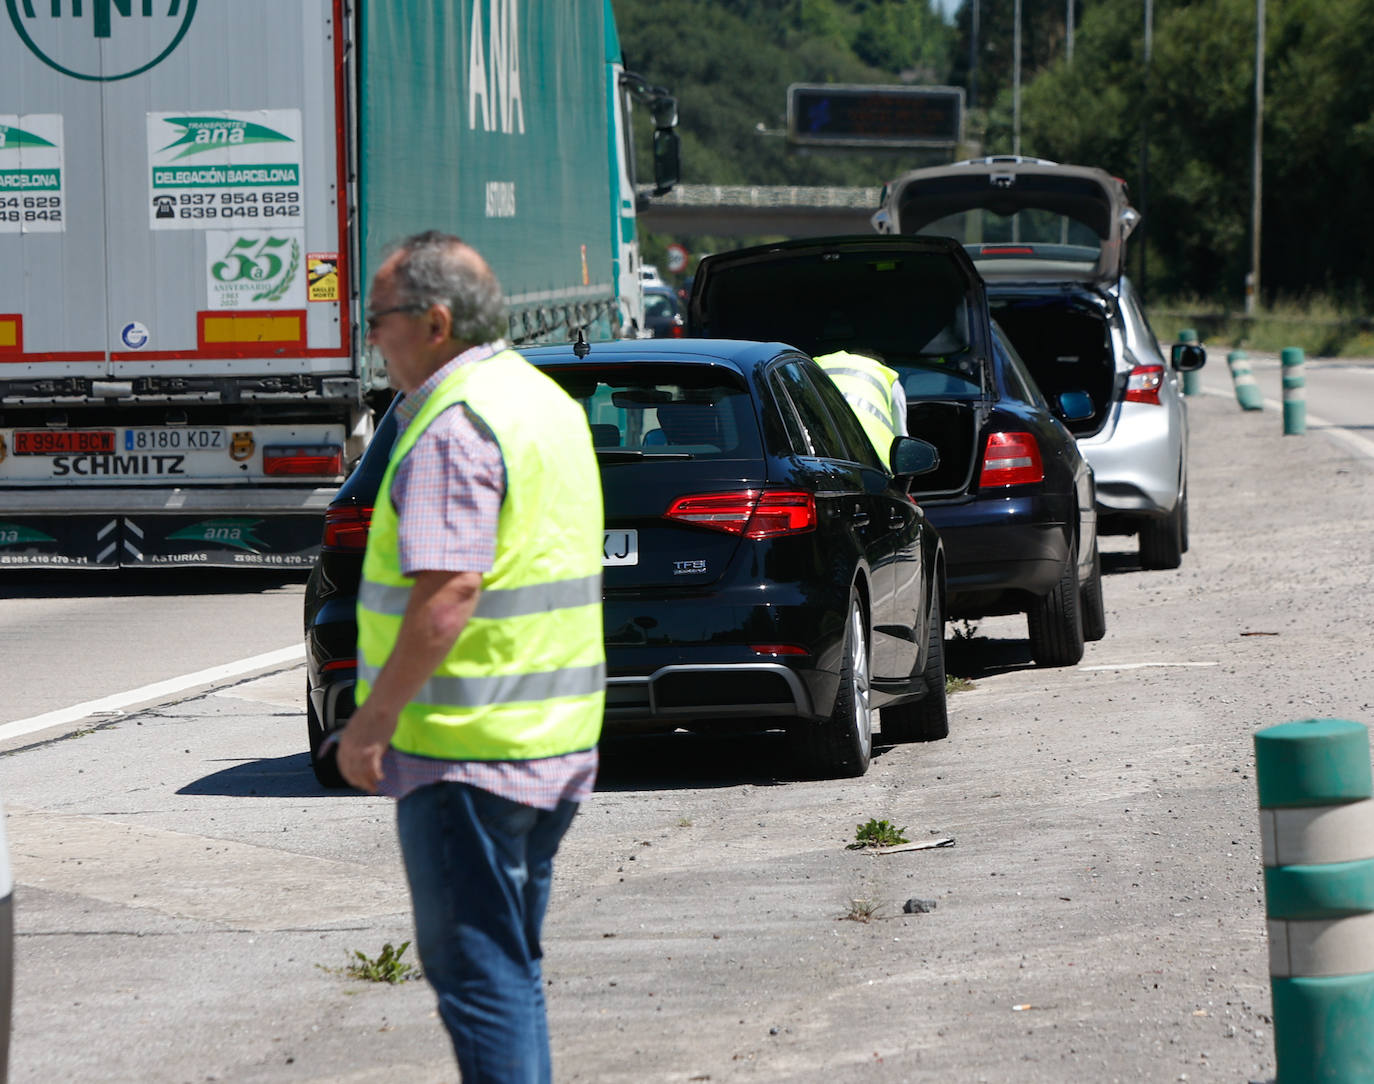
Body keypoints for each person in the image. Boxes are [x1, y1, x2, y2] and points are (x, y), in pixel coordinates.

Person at [335, 230, 605, 1083]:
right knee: (509, 968)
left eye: (379, 319)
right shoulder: (544, 404)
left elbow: (448, 594)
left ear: (436, 322)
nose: (372, 336)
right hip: (550, 742)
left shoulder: (453, 427)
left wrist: (370, 724)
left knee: (480, 980)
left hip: (466, 758)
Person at [814, 349, 907, 460]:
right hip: (874, 459)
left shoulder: (815, 365)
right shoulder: (886, 375)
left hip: (819, 452)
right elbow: (901, 437)